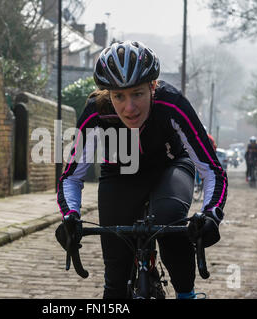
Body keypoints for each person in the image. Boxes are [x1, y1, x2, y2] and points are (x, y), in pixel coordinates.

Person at [55, 41, 227, 299]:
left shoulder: (172, 104)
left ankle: (186, 294)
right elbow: (72, 176)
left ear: (153, 87)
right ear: (108, 94)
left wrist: (211, 215)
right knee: (115, 282)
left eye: (137, 93)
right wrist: (70, 216)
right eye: (118, 96)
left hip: (170, 168)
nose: (129, 107)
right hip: (120, 176)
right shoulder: (97, 113)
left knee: (168, 220)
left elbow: (211, 169)